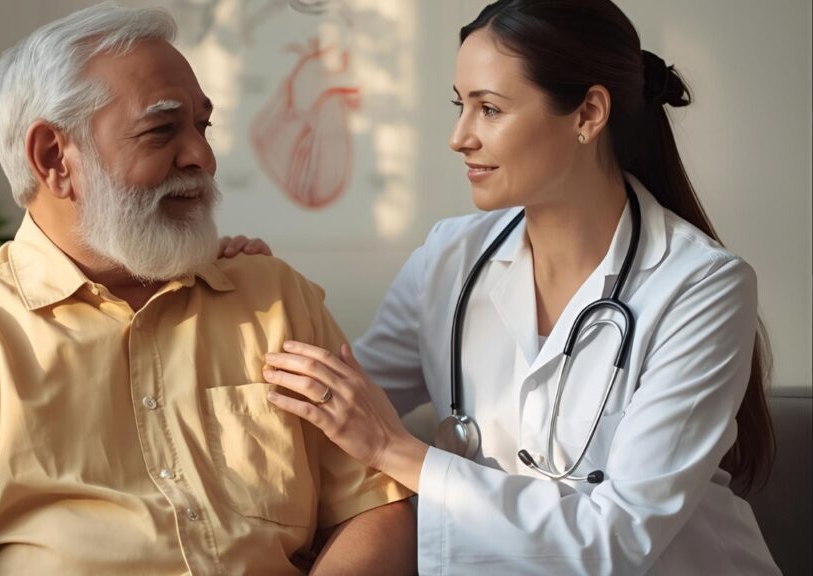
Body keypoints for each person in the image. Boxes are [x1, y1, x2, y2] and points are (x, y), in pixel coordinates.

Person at [0, 5, 416, 575]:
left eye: (202, 126)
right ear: (54, 158)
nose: (202, 156)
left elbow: (375, 508)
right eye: (162, 131)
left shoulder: (276, 298)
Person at [261, 0, 780, 573]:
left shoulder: (702, 287)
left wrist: (398, 452)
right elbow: (333, 400)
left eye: (489, 109)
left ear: (587, 113)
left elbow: (616, 539)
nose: (460, 137)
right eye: (460, 106)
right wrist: (238, 278)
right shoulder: (449, 257)